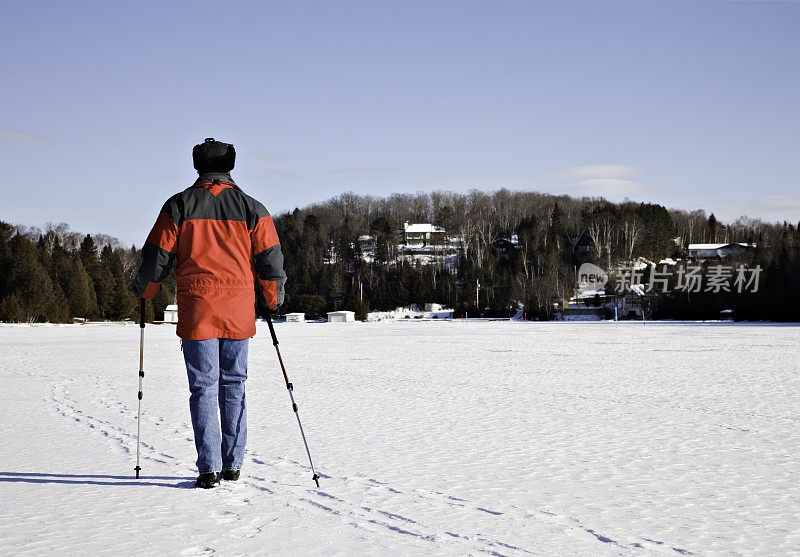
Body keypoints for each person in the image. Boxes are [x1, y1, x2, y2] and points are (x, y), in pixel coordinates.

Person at [132, 138, 286, 488]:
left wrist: (146, 289)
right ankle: (233, 466)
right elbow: (271, 258)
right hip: (239, 309)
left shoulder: (179, 204)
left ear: (196, 165)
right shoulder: (252, 207)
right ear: (230, 165)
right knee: (234, 385)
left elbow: (157, 256)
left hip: (198, 308)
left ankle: (209, 470)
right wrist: (271, 297)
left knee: (203, 388)